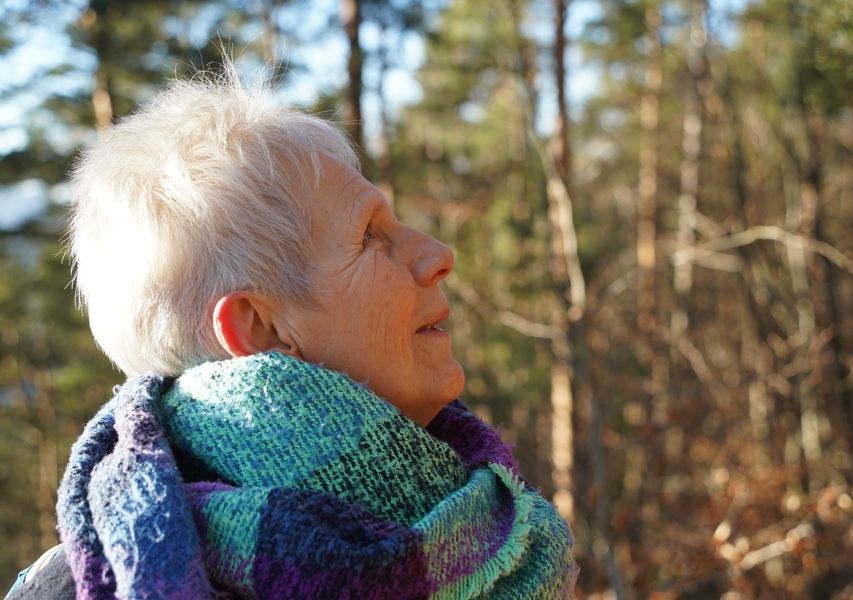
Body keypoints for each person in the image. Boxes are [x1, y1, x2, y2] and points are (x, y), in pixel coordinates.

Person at [5, 64, 577, 599]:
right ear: (259, 328)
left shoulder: (497, 520)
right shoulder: (78, 588)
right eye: (369, 236)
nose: (437, 255)